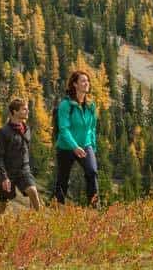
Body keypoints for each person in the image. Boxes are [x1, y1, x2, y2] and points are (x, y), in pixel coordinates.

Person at [54, 69, 99, 207]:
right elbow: (63, 129)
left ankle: (94, 207)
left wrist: (92, 146)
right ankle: (58, 209)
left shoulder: (91, 105)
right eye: (83, 81)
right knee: (63, 179)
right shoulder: (66, 105)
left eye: (87, 81)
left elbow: (92, 128)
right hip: (66, 147)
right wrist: (74, 146)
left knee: (92, 172)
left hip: (85, 145)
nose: (87, 83)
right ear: (74, 84)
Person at [0, 97, 42, 216]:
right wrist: (4, 177)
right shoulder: (3, 132)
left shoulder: (27, 129)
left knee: (33, 191)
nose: (28, 111)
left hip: (23, 170)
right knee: (4, 203)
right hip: (8, 172)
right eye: (24, 109)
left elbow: (27, 150)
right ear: (15, 112)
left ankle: (39, 222)